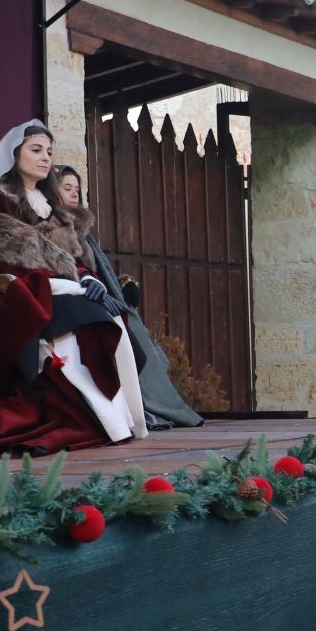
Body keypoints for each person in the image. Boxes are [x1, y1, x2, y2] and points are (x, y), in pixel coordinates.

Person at [0, 122, 148, 457]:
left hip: (59, 288)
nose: (45, 158)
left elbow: (76, 261)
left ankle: (119, 418)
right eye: (36, 150)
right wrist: (66, 282)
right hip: (14, 293)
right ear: (15, 154)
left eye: (49, 151)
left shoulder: (54, 208)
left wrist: (88, 280)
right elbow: (7, 263)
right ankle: (85, 417)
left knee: (107, 312)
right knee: (80, 315)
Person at [50, 164, 202, 431]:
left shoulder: (83, 232)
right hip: (71, 301)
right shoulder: (52, 227)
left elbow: (96, 270)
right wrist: (87, 284)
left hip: (96, 295)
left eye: (77, 189)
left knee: (138, 334)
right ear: (53, 190)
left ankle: (153, 406)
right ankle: (132, 408)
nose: (74, 194)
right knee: (121, 330)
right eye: (67, 188)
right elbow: (62, 268)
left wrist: (116, 287)